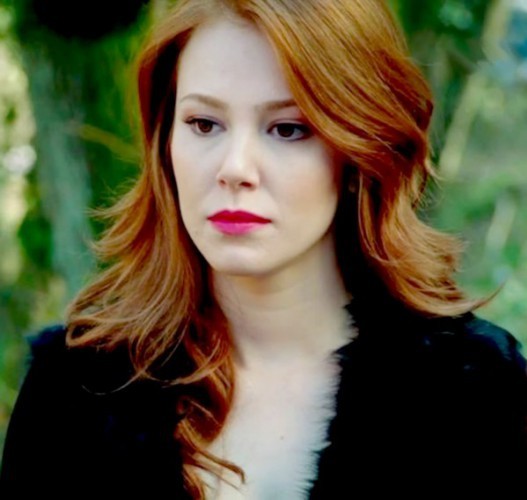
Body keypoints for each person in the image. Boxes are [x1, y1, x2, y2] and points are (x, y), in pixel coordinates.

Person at [1, 0, 526, 496]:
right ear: (165, 142)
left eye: (287, 129)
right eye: (204, 124)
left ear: (360, 149)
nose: (235, 168)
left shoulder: (476, 390)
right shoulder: (74, 388)